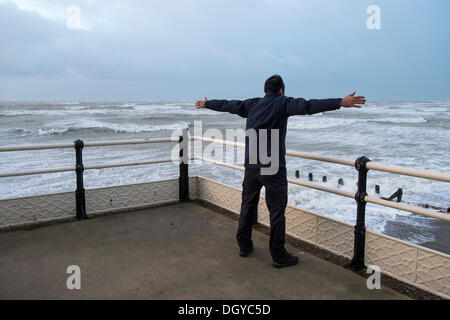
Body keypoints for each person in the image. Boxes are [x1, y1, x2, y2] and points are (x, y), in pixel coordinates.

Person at [196, 75, 365, 268]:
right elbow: (309, 106)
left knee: (247, 204)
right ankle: (278, 255)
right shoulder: (283, 102)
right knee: (276, 211)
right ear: (281, 90)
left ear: (265, 89)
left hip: (251, 164)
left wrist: (207, 103)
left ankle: (244, 245)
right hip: (272, 166)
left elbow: (228, 104)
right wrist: (340, 102)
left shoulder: (252, 104)